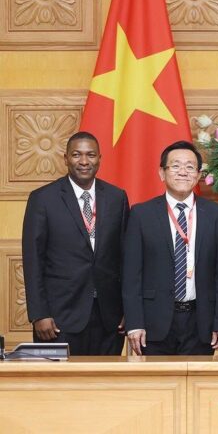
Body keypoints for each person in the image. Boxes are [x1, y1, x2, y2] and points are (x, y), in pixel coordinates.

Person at [22, 131, 129, 355]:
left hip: (109, 319)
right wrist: (39, 313)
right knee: (60, 388)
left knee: (104, 386)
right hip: (59, 318)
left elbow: (125, 258)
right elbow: (33, 260)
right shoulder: (43, 199)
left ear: (100, 158)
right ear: (65, 158)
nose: (83, 161)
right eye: (76, 154)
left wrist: (129, 310)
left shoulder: (117, 197)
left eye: (90, 155)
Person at [122, 141, 218, 355]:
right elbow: (131, 274)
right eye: (175, 166)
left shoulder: (217, 215)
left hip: (201, 322)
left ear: (198, 175)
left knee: (197, 387)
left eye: (190, 167)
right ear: (162, 173)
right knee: (158, 387)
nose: (183, 172)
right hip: (153, 322)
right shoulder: (141, 215)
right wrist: (135, 323)